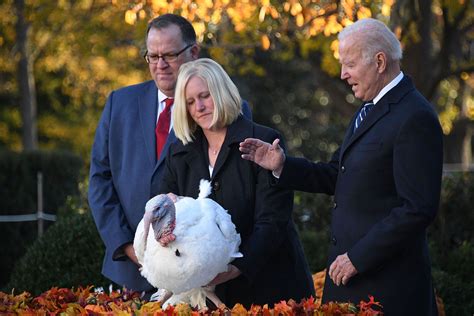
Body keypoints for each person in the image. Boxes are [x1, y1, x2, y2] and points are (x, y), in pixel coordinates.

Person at [239, 18, 442, 315]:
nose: (343, 74)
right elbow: (338, 174)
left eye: (349, 64)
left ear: (380, 61)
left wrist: (358, 258)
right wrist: (282, 165)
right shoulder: (369, 109)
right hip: (352, 288)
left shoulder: (414, 116)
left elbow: (417, 208)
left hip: (389, 291)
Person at [88, 14, 252, 294]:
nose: (160, 65)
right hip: (131, 271)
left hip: (199, 275)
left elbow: (237, 194)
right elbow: (100, 182)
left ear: (194, 52)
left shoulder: (223, 110)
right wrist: (129, 247)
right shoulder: (119, 103)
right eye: (152, 56)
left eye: (169, 55)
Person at [150, 58, 315, 308]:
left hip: (270, 289)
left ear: (221, 91)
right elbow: (165, 211)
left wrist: (237, 267)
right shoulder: (178, 153)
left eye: (205, 96)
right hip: (207, 296)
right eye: (191, 102)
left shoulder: (263, 140)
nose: (200, 107)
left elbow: (273, 220)